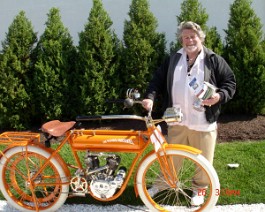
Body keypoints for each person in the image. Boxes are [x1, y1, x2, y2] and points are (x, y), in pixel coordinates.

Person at [142, 21, 236, 206]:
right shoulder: (174, 58)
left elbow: (230, 83)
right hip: (177, 120)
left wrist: (218, 96)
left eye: (193, 36)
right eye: (185, 37)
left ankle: (199, 190)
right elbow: (157, 80)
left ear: (200, 37)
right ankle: (162, 184)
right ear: (181, 39)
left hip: (202, 121)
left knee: (203, 160)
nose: (189, 40)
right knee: (172, 157)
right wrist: (150, 97)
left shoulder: (213, 59)